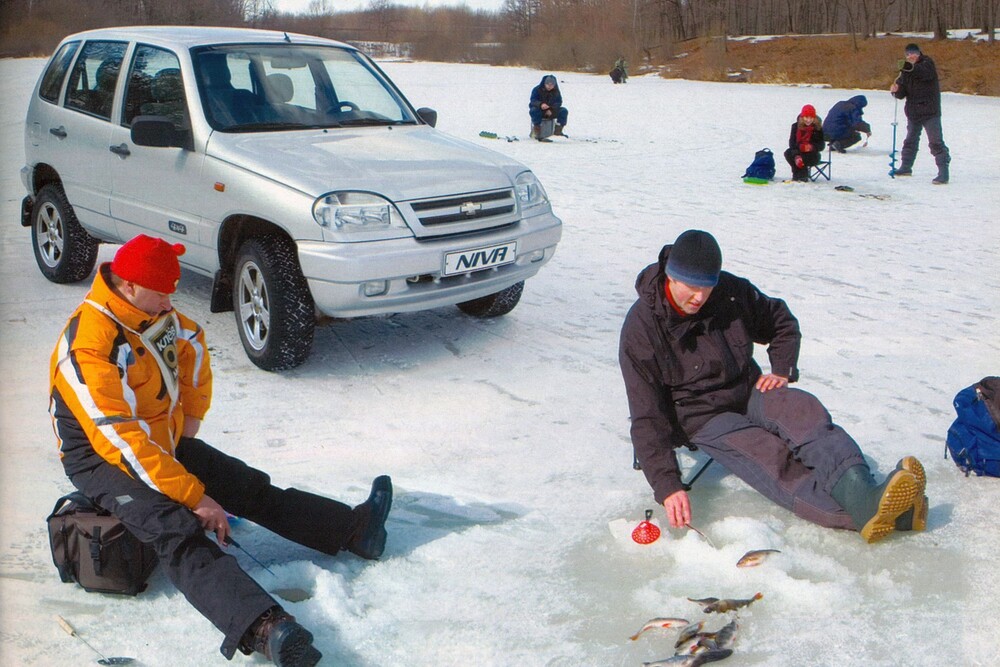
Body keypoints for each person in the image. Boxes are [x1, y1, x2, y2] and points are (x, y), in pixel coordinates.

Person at [49, 235, 393, 667]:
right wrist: (194, 497)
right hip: (102, 457)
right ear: (131, 286)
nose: (170, 301)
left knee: (245, 485)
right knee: (174, 528)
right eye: (162, 292)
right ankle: (265, 629)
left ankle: (354, 530)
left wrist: (188, 421)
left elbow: (192, 342)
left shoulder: (149, 312)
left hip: (156, 440)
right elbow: (120, 441)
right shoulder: (86, 346)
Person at [618, 229, 928, 544]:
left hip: (747, 389)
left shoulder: (730, 292)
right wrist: (667, 485)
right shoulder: (641, 329)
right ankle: (882, 514)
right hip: (701, 416)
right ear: (671, 276)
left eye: (707, 286)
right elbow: (647, 416)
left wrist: (782, 368)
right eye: (692, 287)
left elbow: (779, 320)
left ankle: (863, 492)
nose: (700, 297)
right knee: (769, 456)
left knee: (802, 411)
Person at [890, 43, 950, 184]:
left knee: (936, 142)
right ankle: (905, 167)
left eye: (914, 53)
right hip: (913, 112)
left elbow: (922, 73)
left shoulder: (927, 63)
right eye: (908, 54)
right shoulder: (905, 72)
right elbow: (901, 94)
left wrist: (907, 67)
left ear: (919, 53)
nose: (911, 56)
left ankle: (943, 172)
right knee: (910, 140)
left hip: (930, 112)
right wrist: (896, 90)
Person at [783, 104, 825, 182]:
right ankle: (798, 175)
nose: (808, 120)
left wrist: (811, 147)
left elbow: (821, 145)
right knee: (788, 153)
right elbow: (792, 143)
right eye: (806, 117)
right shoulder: (795, 126)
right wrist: (796, 155)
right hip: (798, 151)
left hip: (812, 154)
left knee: (803, 157)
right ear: (802, 117)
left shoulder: (818, 128)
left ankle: (801, 176)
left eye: (811, 118)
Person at [529, 74, 569, 141]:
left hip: (551, 111)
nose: (549, 86)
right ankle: (536, 131)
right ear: (544, 83)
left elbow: (559, 102)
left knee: (563, 111)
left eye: (552, 85)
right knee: (534, 111)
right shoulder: (536, 89)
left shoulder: (556, 91)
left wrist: (552, 109)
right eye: (548, 84)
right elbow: (533, 101)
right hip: (539, 110)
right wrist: (541, 104)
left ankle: (558, 131)